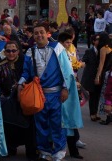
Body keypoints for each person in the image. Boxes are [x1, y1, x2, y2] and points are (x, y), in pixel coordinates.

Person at [18, 23, 83, 161]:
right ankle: (44, 152)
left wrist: (65, 88)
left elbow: (67, 70)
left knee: (58, 124)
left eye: (41, 32)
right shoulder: (30, 51)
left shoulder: (58, 48)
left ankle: (59, 153)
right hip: (39, 95)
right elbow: (25, 72)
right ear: (33, 36)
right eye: (36, 33)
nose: (39, 35)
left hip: (56, 94)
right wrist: (20, 83)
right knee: (41, 125)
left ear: (47, 33)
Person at [0, 41, 37, 160]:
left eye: (14, 50)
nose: (11, 53)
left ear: (18, 51)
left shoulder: (25, 63)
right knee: (9, 126)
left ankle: (31, 151)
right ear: (5, 52)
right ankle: (10, 148)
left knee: (29, 126)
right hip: (8, 101)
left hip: (25, 99)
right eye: (8, 51)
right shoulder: (0, 65)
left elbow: (31, 78)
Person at [58, 31, 85, 158]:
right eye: (67, 42)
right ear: (61, 43)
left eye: (70, 42)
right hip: (62, 92)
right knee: (62, 123)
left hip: (70, 90)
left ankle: (74, 151)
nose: (69, 44)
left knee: (71, 122)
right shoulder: (58, 54)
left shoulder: (68, 53)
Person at [81, 34, 101, 121]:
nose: (99, 41)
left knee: (97, 95)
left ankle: (95, 113)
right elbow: (84, 60)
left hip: (99, 76)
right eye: (97, 39)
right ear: (93, 41)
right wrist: (82, 63)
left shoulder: (102, 51)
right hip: (90, 76)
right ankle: (92, 114)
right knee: (92, 95)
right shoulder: (89, 51)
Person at [95, 32, 112, 125]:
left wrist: (98, 76)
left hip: (106, 74)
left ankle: (107, 116)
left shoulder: (103, 49)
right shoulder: (110, 47)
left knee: (105, 95)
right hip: (111, 73)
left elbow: (101, 64)